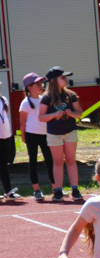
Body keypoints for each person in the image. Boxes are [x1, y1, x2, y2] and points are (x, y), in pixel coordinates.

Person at [38, 66, 83, 202]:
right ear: (53, 81)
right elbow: (41, 117)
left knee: (70, 160)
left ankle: (75, 189)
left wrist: (71, 113)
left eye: (65, 77)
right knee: (57, 162)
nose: (66, 79)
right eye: (62, 77)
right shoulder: (46, 97)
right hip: (54, 134)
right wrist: (54, 114)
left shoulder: (71, 95)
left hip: (70, 132)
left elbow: (79, 113)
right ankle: (58, 190)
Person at [19, 73, 54, 201]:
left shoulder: (44, 99)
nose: (41, 86)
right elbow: (22, 122)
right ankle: (37, 190)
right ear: (29, 87)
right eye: (37, 84)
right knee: (33, 161)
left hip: (45, 135)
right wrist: (24, 136)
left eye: (41, 83)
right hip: (31, 135)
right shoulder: (25, 103)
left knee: (50, 160)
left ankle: (56, 188)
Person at [0, 81, 17, 199]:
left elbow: (5, 116)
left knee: (3, 164)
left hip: (5, 135)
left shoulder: (3, 99)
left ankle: (8, 191)